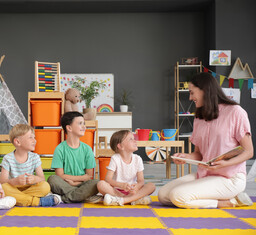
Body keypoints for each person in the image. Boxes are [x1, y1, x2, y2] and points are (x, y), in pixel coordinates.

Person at [158, 72, 254, 209]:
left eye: (192, 93)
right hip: (205, 174)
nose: (190, 98)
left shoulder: (235, 112)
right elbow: (199, 154)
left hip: (230, 178)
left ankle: (226, 202)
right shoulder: (200, 117)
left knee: (178, 196)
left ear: (205, 90)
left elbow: (249, 151)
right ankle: (217, 197)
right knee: (163, 195)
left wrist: (225, 163)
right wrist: (186, 157)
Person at [0, 124, 61, 207]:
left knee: (45, 186)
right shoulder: (8, 158)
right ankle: (38, 202)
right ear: (17, 142)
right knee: (4, 188)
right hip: (14, 188)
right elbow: (3, 181)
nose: (35, 140)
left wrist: (35, 179)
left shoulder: (35, 157)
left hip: (30, 189)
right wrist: (14, 181)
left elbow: (42, 179)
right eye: (30, 137)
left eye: (34, 137)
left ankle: (20, 199)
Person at [47, 111, 101, 203]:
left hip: (82, 184)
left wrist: (76, 183)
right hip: (65, 184)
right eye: (80, 123)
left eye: (84, 123)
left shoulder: (87, 149)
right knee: (52, 179)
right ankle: (81, 197)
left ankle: (63, 199)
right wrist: (74, 182)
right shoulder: (59, 149)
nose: (84, 126)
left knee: (97, 183)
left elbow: (89, 176)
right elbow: (59, 175)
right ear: (69, 128)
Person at [97, 130, 155, 206]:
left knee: (151, 186)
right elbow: (108, 179)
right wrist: (121, 185)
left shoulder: (138, 159)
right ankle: (133, 199)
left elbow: (141, 181)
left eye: (134, 138)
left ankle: (121, 200)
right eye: (131, 139)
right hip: (117, 191)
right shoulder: (115, 158)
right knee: (100, 184)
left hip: (133, 191)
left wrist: (136, 187)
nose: (135, 140)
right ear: (120, 146)